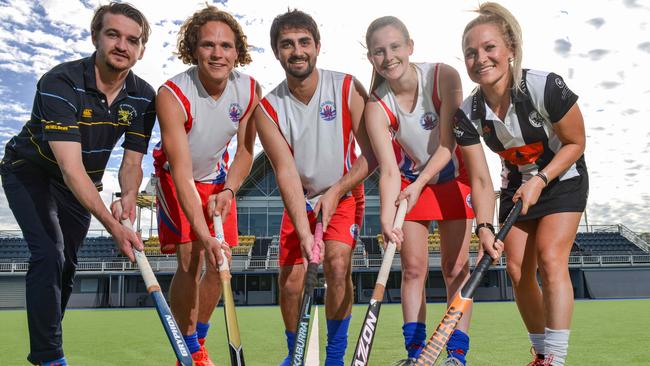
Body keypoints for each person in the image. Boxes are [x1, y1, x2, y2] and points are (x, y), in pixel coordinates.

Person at [0, 3, 154, 365]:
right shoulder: (60, 82)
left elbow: (132, 162)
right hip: (30, 171)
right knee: (49, 252)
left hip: (82, 182)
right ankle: (51, 357)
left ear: (141, 49)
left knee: (67, 265)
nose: (122, 45)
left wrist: (128, 198)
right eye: (113, 34)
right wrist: (114, 227)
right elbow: (71, 169)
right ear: (95, 37)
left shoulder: (144, 97)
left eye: (133, 40)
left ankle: (47, 348)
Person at [454, 3, 588, 365]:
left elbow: (577, 143)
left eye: (489, 47)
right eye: (470, 52)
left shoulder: (545, 86)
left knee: (550, 258)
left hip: (562, 178)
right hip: (516, 189)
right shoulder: (467, 114)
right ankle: (541, 353)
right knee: (516, 270)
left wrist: (542, 178)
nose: (480, 58)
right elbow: (481, 179)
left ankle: (555, 360)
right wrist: (483, 226)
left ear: (510, 49)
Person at [254, 9, 374, 366]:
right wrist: (304, 228)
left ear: (317, 46)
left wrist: (338, 190)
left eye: (304, 42)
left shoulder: (347, 86)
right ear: (277, 52)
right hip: (301, 201)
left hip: (344, 191)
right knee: (291, 283)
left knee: (337, 265)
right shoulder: (267, 108)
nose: (297, 51)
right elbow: (286, 173)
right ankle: (295, 355)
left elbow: (372, 155)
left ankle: (335, 357)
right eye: (287, 44)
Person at [364, 16, 475, 366]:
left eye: (395, 47)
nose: (389, 57)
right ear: (371, 58)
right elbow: (389, 170)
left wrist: (419, 185)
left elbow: (446, 144)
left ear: (410, 47)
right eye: (379, 51)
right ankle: (415, 354)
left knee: (455, 267)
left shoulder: (443, 76)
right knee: (412, 269)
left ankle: (456, 353)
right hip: (411, 184)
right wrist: (386, 218)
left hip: (453, 176)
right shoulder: (376, 105)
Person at [152, 5, 260, 366]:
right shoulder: (172, 94)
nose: (218, 54)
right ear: (194, 49)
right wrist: (203, 232)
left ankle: (198, 339)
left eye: (226, 46)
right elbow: (182, 173)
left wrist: (229, 190)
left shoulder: (248, 89)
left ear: (237, 51)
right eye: (208, 45)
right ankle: (187, 345)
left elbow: (245, 150)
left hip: (217, 179)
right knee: (191, 257)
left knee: (220, 260)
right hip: (175, 177)